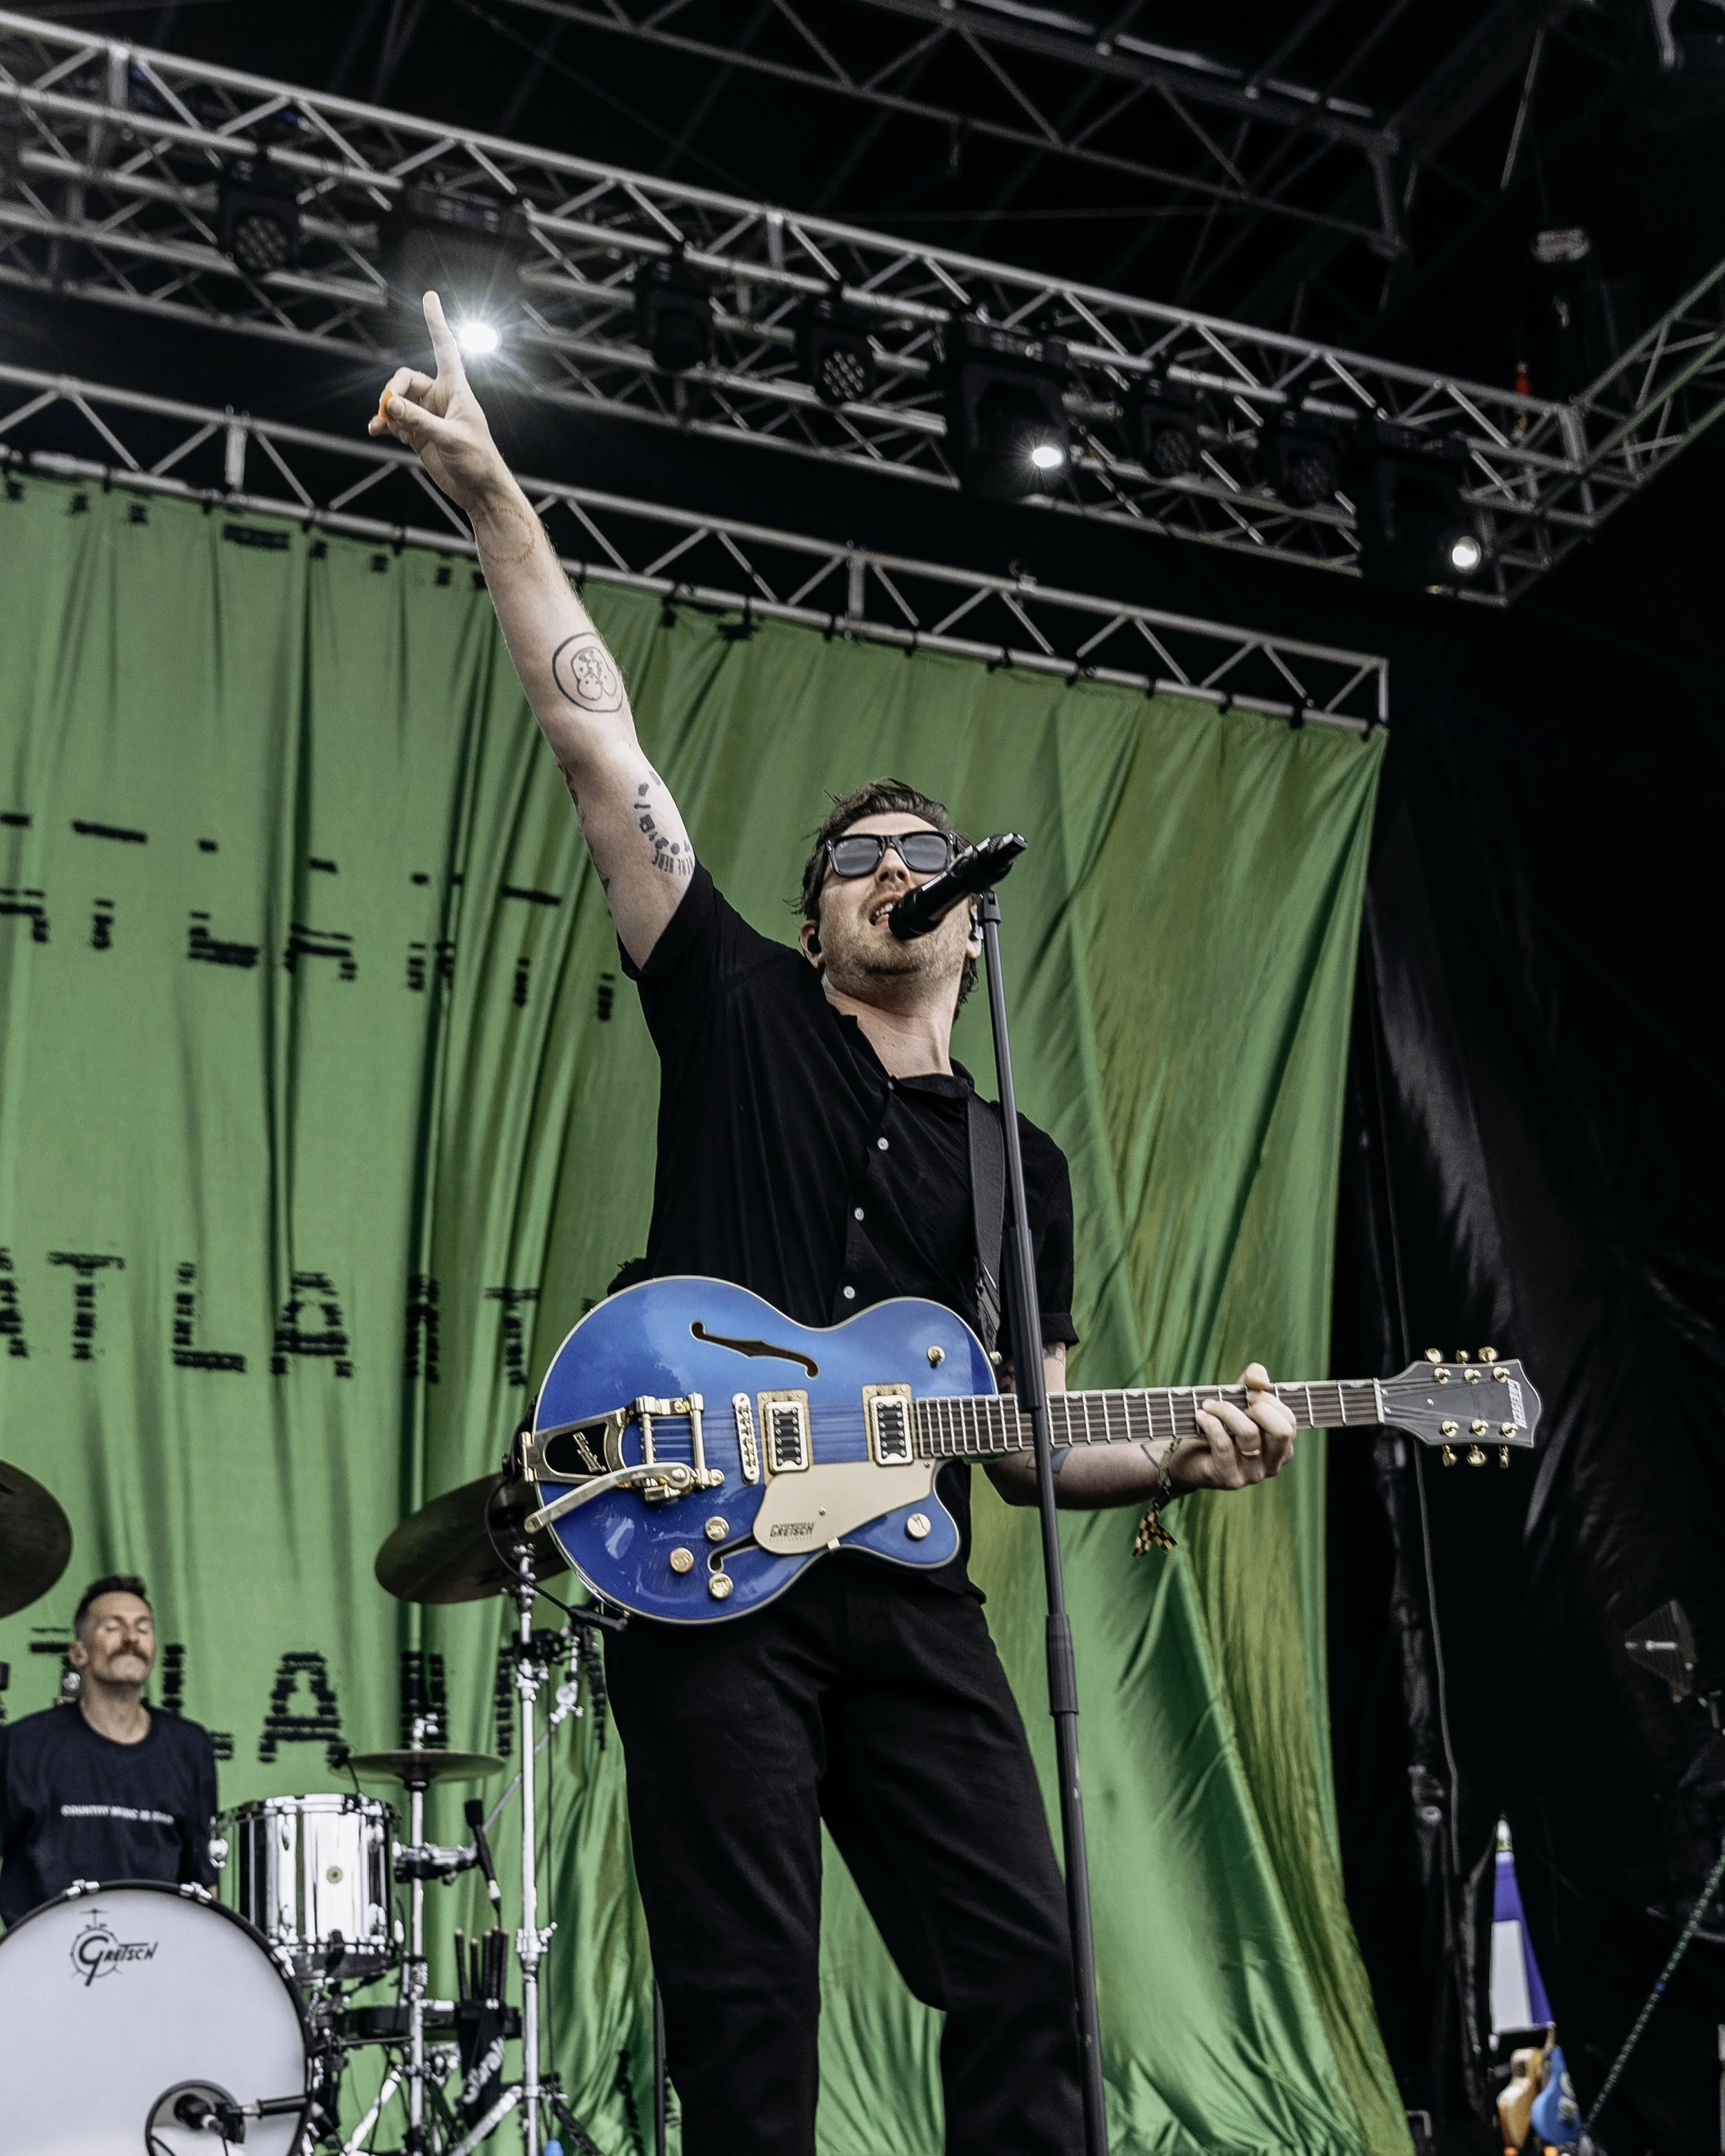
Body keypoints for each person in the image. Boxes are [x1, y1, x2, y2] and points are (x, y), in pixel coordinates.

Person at [373, 295, 1301, 2156]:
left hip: (905, 1592)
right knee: (749, 2007)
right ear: (813, 919)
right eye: (856, 856)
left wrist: (1187, 1456)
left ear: (968, 915)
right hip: (708, 1578)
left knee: (1029, 1966)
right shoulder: (731, 1001)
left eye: (921, 853)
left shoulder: (1015, 1160)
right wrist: (491, 498)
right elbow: (593, 730)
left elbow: (1032, 1440)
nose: (896, 866)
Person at [0, 1575, 219, 1927]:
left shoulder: (189, 1746)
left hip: (157, 1957)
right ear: (78, 1653)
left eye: (143, 1629)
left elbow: (203, 1879)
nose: (131, 1639)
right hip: (41, 1960)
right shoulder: (25, 1744)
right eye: (113, 1627)